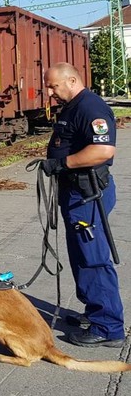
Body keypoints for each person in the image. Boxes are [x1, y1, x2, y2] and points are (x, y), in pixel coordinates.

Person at [40, 62, 124, 347]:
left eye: (53, 86)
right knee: (79, 254)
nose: (49, 92)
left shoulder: (91, 107)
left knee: (93, 257)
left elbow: (102, 150)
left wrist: (62, 162)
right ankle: (94, 311)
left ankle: (108, 326)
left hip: (88, 195)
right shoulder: (73, 105)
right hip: (75, 192)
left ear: (72, 80)